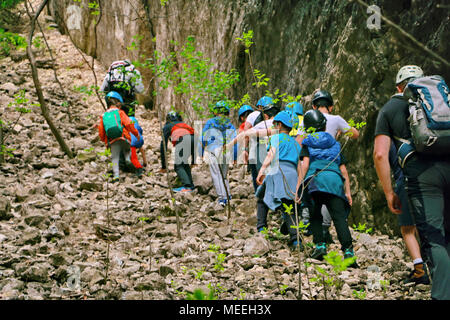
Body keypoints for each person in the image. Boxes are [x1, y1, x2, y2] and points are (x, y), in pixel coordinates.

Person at [374, 65, 450, 299]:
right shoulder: (441, 100)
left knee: (434, 238)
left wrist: (389, 193)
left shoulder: (389, 109)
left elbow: (380, 154)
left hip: (423, 177)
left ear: (399, 86)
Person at [297, 110, 357, 267]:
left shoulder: (307, 142)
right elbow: (343, 170)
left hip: (315, 181)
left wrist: (298, 187)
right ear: (324, 126)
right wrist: (347, 192)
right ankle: (349, 252)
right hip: (334, 182)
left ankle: (320, 247)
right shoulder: (335, 144)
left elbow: (305, 165)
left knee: (316, 215)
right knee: (339, 218)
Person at [300, 90, 360, 243]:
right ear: (331, 107)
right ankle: (344, 247)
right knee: (333, 203)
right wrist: (340, 131)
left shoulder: (308, 120)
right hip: (333, 162)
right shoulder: (336, 119)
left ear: (314, 106)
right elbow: (355, 134)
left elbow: (299, 141)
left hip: (313, 166)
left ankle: (318, 239)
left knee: (315, 205)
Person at [255, 111, 303, 249]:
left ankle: (261, 228)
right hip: (292, 174)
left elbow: (271, 154)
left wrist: (261, 171)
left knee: (261, 197)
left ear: (280, 124)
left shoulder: (276, 138)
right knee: (289, 206)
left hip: (277, 170)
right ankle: (296, 240)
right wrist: (299, 186)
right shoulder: (295, 144)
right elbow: (300, 166)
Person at [388, 140, 429, 285]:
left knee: (407, 229)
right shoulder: (422, 136)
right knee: (428, 224)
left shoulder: (390, 140)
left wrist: (389, 192)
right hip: (431, 180)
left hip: (405, 181)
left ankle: (420, 270)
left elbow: (381, 157)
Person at [199, 101, 238, 206]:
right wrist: (235, 157)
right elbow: (235, 142)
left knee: (216, 175)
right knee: (224, 175)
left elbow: (202, 138)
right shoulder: (230, 125)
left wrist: (201, 153)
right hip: (226, 151)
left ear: (216, 112)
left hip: (214, 150)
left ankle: (222, 198)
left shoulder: (210, 122)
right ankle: (228, 194)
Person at [98, 91, 140, 183]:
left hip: (112, 140)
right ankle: (127, 159)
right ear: (118, 104)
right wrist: (136, 134)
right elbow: (129, 123)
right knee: (126, 150)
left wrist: (104, 140)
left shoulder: (104, 115)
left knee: (115, 158)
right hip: (123, 137)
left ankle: (116, 176)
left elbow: (101, 131)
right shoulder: (120, 112)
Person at [241, 96, 280, 192]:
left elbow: (246, 132)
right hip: (274, 148)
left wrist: (245, 149)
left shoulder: (254, 115)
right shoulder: (278, 121)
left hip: (257, 147)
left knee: (257, 173)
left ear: (259, 106)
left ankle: (259, 195)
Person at [160, 111, 195, 193]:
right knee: (184, 163)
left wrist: (164, 166)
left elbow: (163, 145)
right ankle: (191, 185)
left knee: (178, 166)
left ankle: (187, 186)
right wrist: (194, 161)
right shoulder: (184, 124)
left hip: (182, 139)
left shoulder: (168, 126)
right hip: (193, 139)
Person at [121, 104, 146, 177]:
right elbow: (140, 129)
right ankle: (143, 163)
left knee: (133, 158)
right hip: (138, 139)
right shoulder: (134, 119)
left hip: (130, 141)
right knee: (133, 154)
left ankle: (139, 170)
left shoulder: (123, 120)